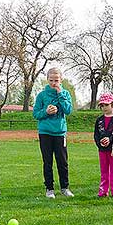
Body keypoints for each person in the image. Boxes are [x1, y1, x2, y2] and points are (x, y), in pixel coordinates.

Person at [33, 67, 73, 199]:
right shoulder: (41, 95)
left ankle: (64, 188)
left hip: (60, 133)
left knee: (62, 162)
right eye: (51, 80)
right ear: (47, 80)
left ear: (61, 80)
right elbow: (36, 114)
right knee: (47, 161)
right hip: (45, 133)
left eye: (56, 80)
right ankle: (49, 189)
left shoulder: (65, 94)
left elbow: (68, 110)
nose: (54, 83)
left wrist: (60, 94)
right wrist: (46, 111)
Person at [94, 92, 113, 198]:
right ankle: (103, 191)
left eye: (106, 105)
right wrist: (100, 143)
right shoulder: (99, 120)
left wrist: (110, 140)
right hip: (102, 150)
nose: (104, 108)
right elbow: (96, 134)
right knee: (104, 171)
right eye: (102, 105)